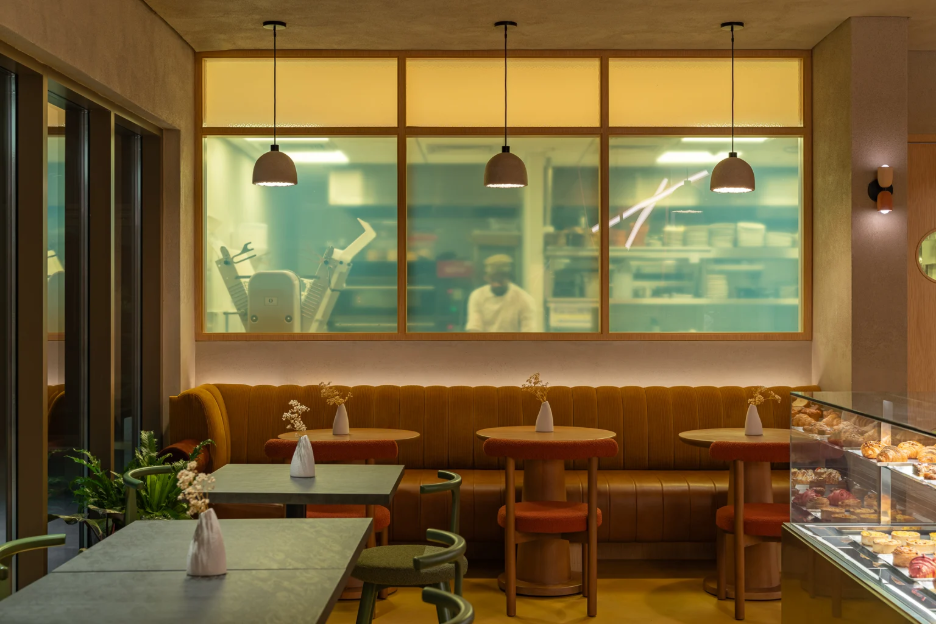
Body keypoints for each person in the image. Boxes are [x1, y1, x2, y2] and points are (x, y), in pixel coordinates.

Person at [466, 254, 538, 332]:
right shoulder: (477, 296)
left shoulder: (525, 299)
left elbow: (529, 331)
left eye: (501, 279)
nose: (497, 283)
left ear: (509, 278)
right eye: (493, 278)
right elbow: (475, 327)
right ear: (487, 278)